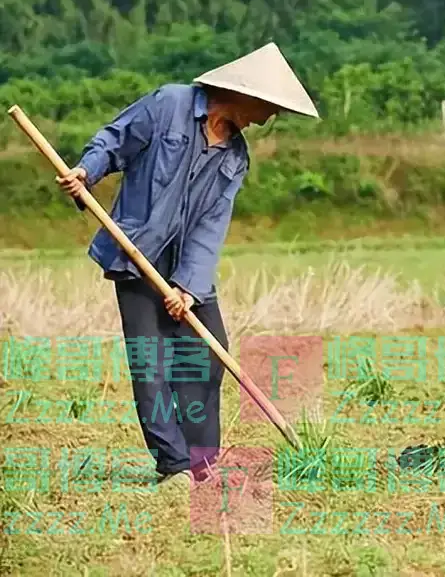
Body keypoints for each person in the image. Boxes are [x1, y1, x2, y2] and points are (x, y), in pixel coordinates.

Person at [55, 43, 320, 488]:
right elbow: (114, 141)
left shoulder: (235, 158)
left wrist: (189, 289)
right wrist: (86, 172)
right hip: (136, 251)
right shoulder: (169, 105)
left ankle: (203, 465)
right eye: (268, 107)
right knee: (152, 363)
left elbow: (210, 227)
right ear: (244, 95)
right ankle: (173, 466)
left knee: (206, 354)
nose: (268, 117)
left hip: (188, 269)